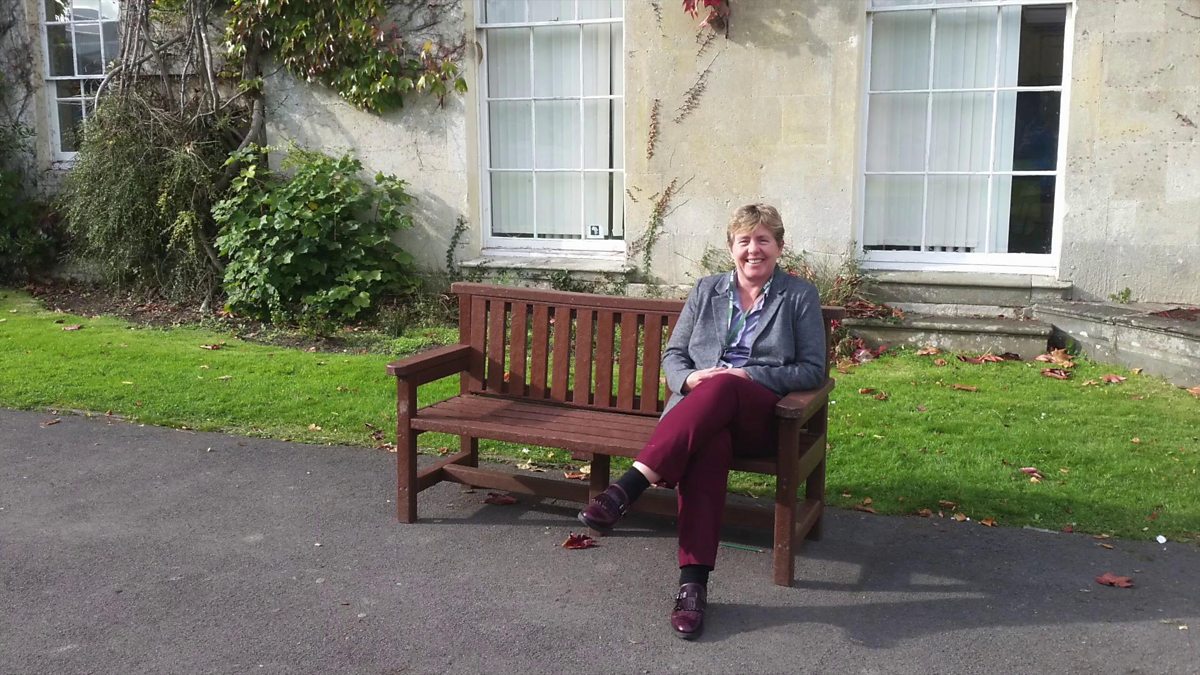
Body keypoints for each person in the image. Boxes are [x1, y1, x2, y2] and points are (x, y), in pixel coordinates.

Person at [577, 203, 827, 640]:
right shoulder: (707, 290)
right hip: (702, 420)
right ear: (731, 248)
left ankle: (629, 486)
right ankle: (692, 587)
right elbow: (675, 355)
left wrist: (748, 375)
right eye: (745, 240)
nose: (754, 249)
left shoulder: (799, 296)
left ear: (780, 247)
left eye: (764, 240)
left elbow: (812, 370)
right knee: (708, 447)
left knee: (726, 383)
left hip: (762, 417)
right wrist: (691, 378)